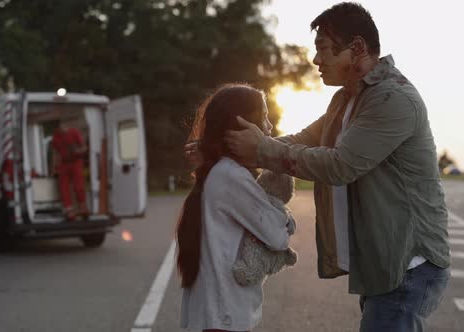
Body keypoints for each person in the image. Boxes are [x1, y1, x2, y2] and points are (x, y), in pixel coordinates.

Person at [187, 3, 450, 331]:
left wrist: (259, 150)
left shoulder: (392, 99)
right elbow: (302, 140)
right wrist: (221, 148)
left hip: (408, 264)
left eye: (323, 49)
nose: (316, 60)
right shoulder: (346, 100)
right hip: (386, 263)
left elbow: (340, 165)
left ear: (356, 48)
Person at [177, 83, 291, 332]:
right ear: (242, 126)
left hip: (215, 311)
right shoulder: (231, 176)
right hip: (224, 314)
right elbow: (278, 234)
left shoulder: (219, 171)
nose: (270, 127)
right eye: (264, 117)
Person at [52, 119, 89, 221]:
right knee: (63, 187)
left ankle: (83, 208)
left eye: (61, 128)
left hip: (76, 162)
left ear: (64, 125)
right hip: (64, 163)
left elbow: (84, 148)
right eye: (58, 130)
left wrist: (77, 151)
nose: (60, 131)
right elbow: (56, 152)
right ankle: (69, 210)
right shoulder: (56, 137)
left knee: (78, 186)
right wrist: (55, 168)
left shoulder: (74, 132)